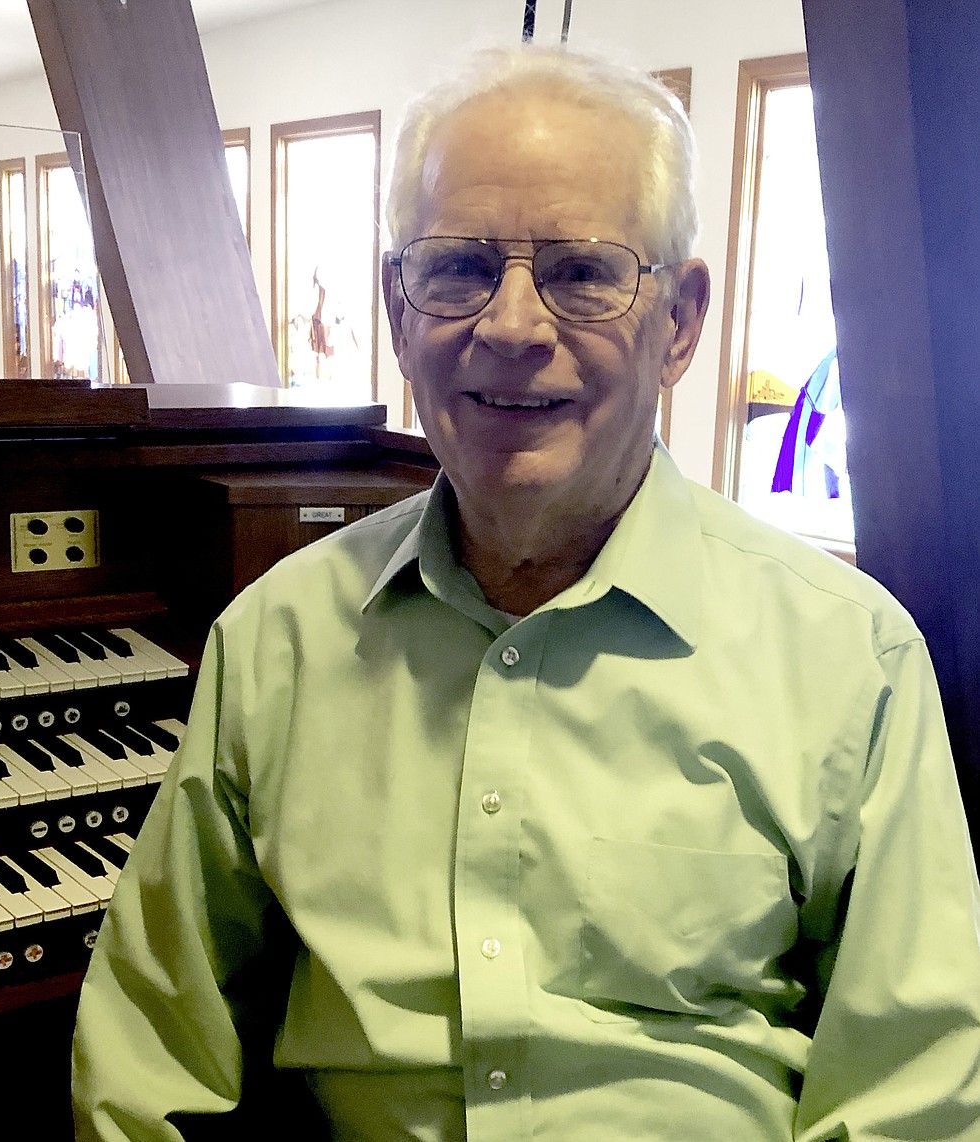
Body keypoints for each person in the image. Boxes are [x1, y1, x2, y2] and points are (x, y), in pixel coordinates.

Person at [72, 43, 980, 1140]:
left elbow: (909, 1101)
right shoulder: (279, 639)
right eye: (457, 266)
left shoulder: (851, 658)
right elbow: (150, 1052)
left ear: (680, 322)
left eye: (583, 270)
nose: (510, 326)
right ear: (401, 314)